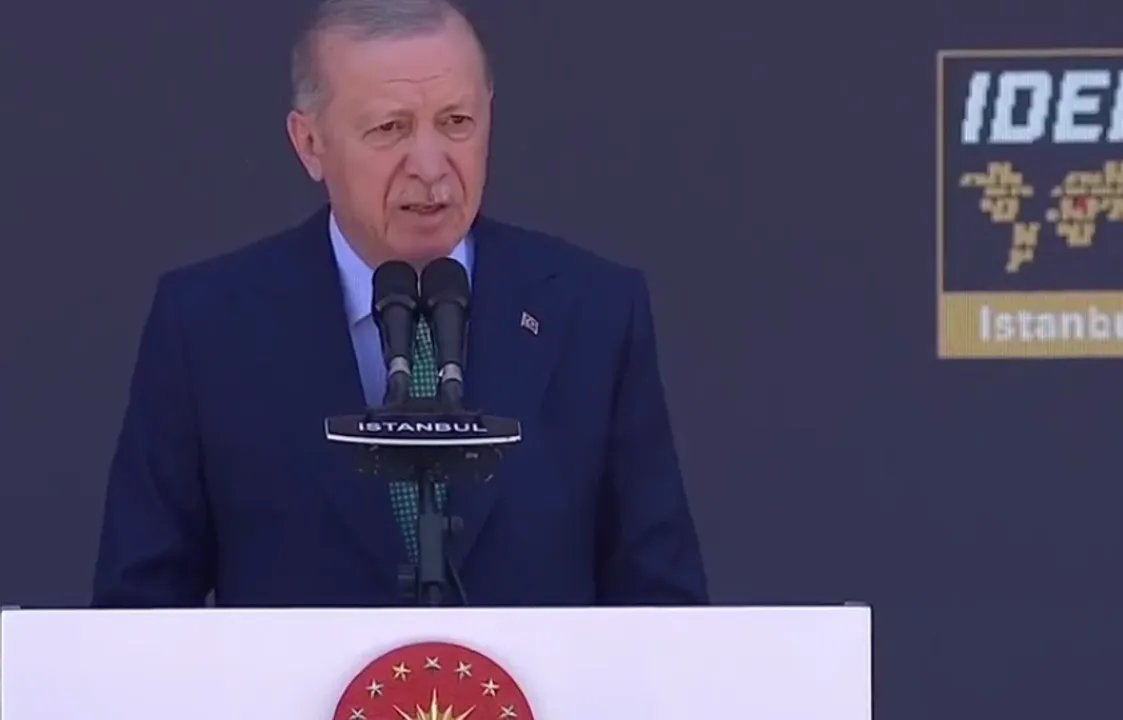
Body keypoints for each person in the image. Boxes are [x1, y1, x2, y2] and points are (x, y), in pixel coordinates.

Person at [91, 0, 708, 607]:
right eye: (390, 129)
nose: (431, 167)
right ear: (310, 144)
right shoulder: (208, 327)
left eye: (456, 122)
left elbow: (665, 608)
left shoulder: (592, 313)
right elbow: (137, 614)